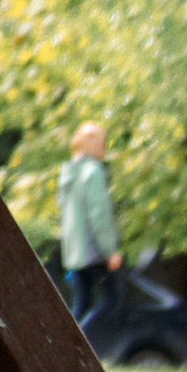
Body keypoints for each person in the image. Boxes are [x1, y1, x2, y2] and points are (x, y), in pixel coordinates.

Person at [58, 121, 124, 324]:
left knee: (81, 302)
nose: (104, 147)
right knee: (112, 297)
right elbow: (99, 214)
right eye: (102, 143)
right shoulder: (93, 172)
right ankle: (82, 343)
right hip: (93, 250)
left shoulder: (68, 173)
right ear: (94, 145)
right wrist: (110, 250)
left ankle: (68, 348)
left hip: (74, 251)